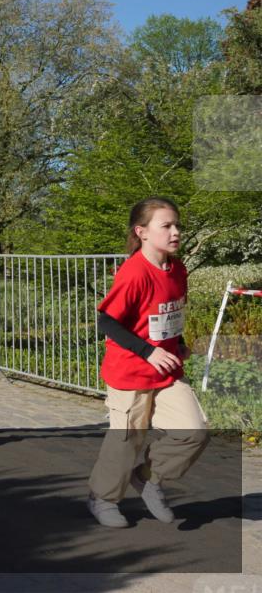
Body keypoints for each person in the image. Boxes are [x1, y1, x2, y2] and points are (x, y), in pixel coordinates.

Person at [87, 197, 208, 529]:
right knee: (127, 440)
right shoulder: (134, 272)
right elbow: (107, 322)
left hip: (166, 371)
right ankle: (103, 498)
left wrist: (178, 343)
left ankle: (149, 479)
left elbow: (169, 313)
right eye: (166, 226)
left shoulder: (178, 268)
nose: (175, 232)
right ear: (141, 232)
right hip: (130, 370)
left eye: (177, 225)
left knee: (193, 432)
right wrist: (148, 351)